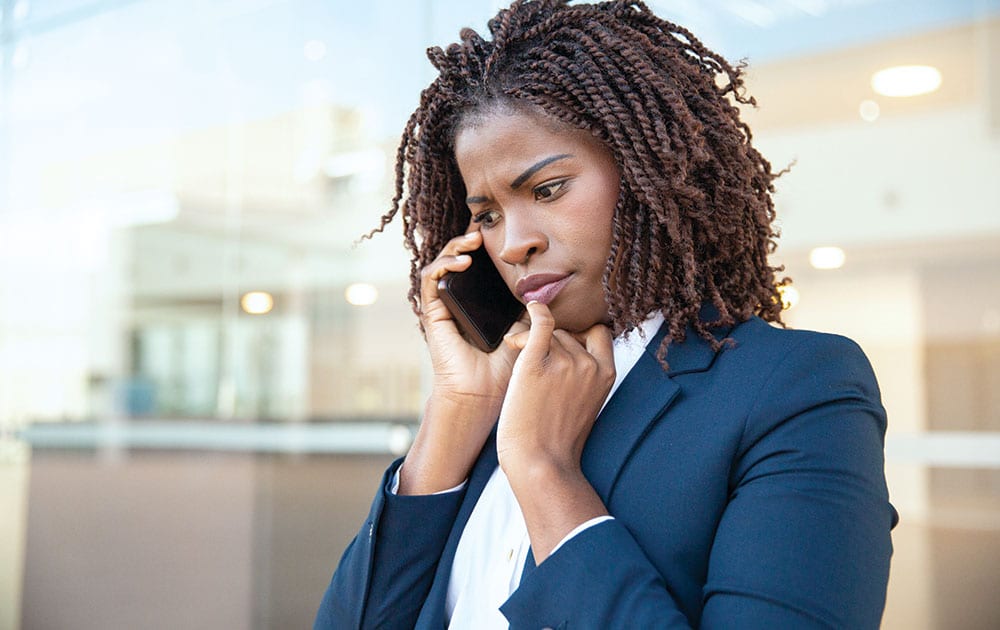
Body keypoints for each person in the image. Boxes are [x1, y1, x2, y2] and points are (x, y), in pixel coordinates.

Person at [315, 0, 896, 627]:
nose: (513, 243)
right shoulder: (488, 411)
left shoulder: (795, 388)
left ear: (653, 172)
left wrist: (545, 473)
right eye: (486, 215)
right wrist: (456, 415)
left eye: (547, 189)